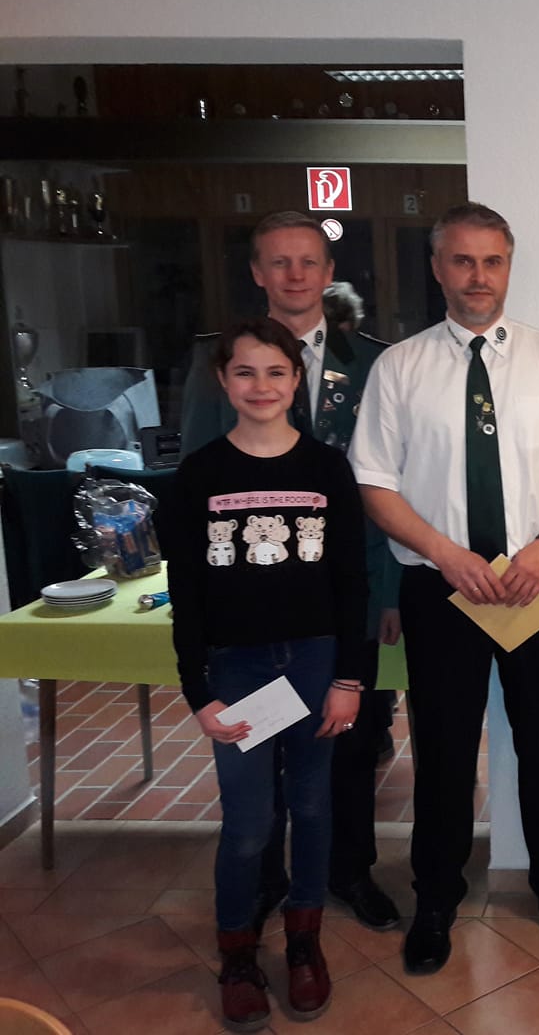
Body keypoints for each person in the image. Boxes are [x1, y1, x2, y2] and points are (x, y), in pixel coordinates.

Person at [349, 202, 539, 974]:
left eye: (491, 261)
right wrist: (443, 553)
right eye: (462, 261)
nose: (478, 276)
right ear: (438, 268)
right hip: (441, 588)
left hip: (536, 579)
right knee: (443, 748)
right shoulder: (400, 368)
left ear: (508, 266)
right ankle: (435, 900)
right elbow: (374, 481)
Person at [180, 211, 403, 932]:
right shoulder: (218, 362)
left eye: (308, 262)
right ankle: (268, 878)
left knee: (353, 740)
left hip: (346, 592)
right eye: (279, 262)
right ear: (257, 273)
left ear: (329, 273)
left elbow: (388, 479)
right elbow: (197, 482)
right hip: (251, 602)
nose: (296, 275)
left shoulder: (375, 362)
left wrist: (388, 591)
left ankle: (350, 871)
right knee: (264, 754)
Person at [170, 318, 369, 1029]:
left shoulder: (326, 470)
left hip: (315, 661)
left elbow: (352, 582)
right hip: (240, 667)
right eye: (245, 373)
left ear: (296, 380)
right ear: (223, 382)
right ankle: (238, 954)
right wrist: (199, 692)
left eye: (276, 372)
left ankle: (304, 942)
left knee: (312, 808)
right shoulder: (200, 475)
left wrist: (350, 679)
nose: (261, 386)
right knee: (249, 822)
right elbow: (188, 594)